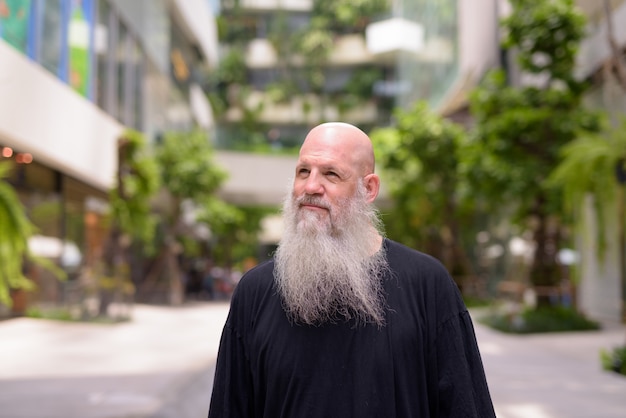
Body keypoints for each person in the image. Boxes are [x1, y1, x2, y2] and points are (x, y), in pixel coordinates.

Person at [208, 122, 496, 417]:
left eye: (331, 174)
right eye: (303, 171)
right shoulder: (255, 292)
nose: (310, 187)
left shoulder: (427, 284)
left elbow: (465, 407)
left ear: (368, 188)